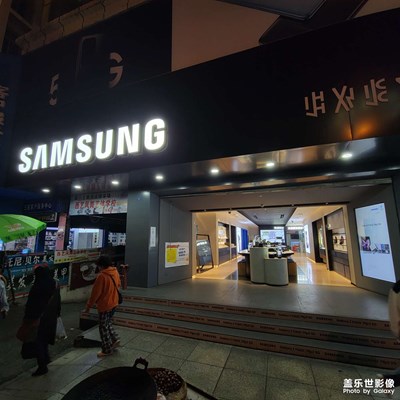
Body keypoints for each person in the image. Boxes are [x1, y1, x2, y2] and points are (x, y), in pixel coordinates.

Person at [22, 264, 61, 376]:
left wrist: (27, 319)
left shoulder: (37, 287)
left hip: (38, 319)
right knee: (44, 339)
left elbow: (31, 305)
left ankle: (42, 367)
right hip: (51, 317)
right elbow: (58, 300)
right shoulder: (54, 284)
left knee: (38, 341)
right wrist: (58, 313)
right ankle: (46, 358)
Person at [84, 255, 121, 357]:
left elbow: (95, 294)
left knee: (103, 328)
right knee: (107, 323)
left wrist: (88, 306)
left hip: (105, 305)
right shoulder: (115, 272)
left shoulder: (102, 276)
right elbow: (118, 285)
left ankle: (106, 350)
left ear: (101, 265)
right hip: (114, 303)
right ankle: (114, 339)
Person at [378, 280, 400, 388]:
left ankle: (390, 380)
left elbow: (394, 316)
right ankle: (390, 380)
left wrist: (397, 332)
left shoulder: (396, 288)